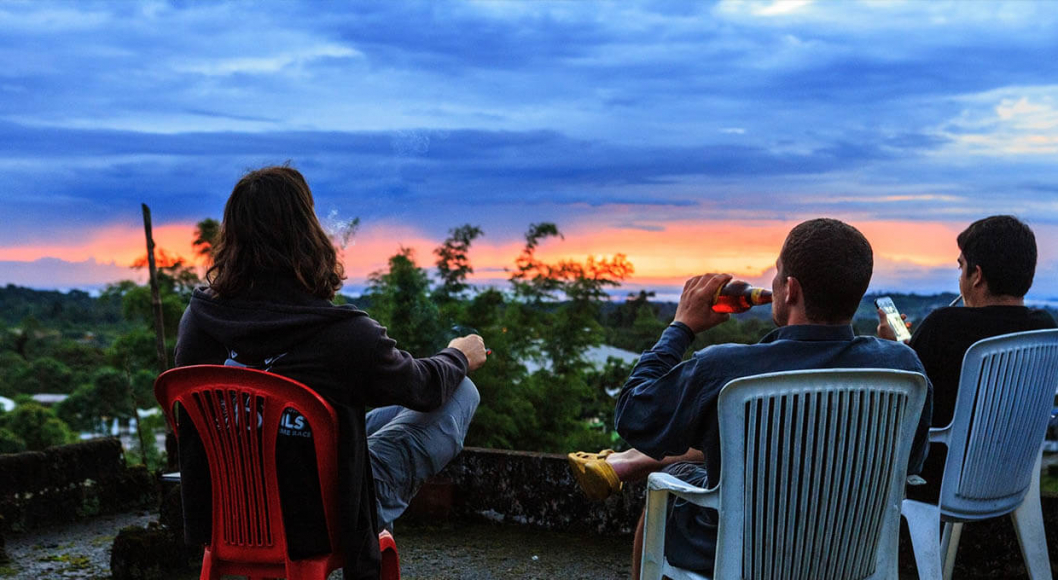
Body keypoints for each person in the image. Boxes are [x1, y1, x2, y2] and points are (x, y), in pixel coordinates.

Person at [572, 218, 932, 579]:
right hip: (851, 550)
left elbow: (634, 415)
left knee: (668, 487)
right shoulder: (904, 367)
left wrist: (680, 328)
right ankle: (632, 463)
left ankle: (634, 465)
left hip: (743, 552)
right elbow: (910, 463)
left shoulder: (726, 367)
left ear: (790, 289)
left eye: (776, 274)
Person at [173, 166, 487, 580]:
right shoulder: (344, 334)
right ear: (307, 235)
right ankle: (373, 521)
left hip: (227, 509)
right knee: (460, 392)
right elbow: (424, 388)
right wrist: (457, 355)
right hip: (318, 518)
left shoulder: (199, 318)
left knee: (367, 421)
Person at [876, 215, 1056, 502]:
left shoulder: (943, 326)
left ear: (977, 276)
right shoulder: (1044, 328)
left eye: (961, 267)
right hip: (1012, 479)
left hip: (941, 482)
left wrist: (894, 351)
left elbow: (903, 403)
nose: (960, 278)